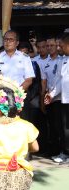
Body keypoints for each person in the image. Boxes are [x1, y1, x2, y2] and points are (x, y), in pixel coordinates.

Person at [44, 33, 69, 162]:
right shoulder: (63, 60)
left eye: (62, 45)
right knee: (64, 128)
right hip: (64, 100)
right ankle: (65, 153)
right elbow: (59, 80)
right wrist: (52, 94)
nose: (60, 48)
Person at [40, 36, 64, 161]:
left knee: (60, 125)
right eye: (47, 46)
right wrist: (42, 99)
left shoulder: (63, 60)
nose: (49, 48)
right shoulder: (45, 63)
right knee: (52, 126)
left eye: (52, 45)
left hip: (61, 98)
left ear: (57, 46)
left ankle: (62, 150)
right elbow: (44, 83)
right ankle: (54, 150)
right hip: (49, 98)